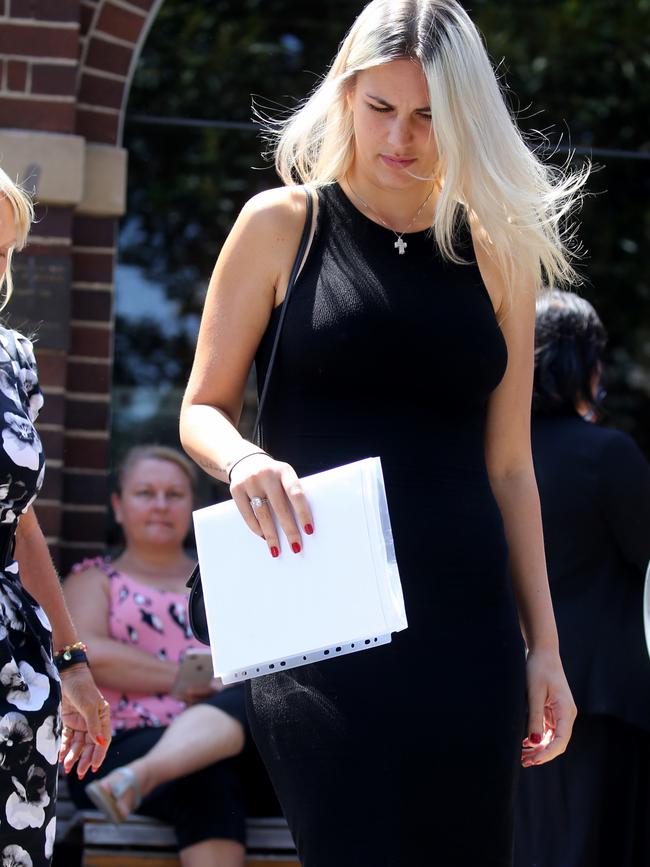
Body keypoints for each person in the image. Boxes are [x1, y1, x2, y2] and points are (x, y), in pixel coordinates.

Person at [179, 1, 587, 863]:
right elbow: (200, 409)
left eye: (429, 116)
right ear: (345, 97)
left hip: (467, 628)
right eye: (380, 108)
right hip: (319, 622)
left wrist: (544, 648)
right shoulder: (281, 224)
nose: (400, 137)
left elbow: (511, 469)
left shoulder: (498, 253)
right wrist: (245, 457)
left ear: (465, 119)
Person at [63, 445, 265, 867]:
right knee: (204, 776)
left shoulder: (225, 578)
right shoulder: (93, 579)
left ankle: (144, 776)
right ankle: (142, 771)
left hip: (232, 739)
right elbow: (90, 654)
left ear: (190, 505)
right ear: (118, 506)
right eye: (145, 493)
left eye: (173, 495)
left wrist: (219, 689)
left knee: (254, 694)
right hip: (116, 745)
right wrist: (191, 680)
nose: (160, 505)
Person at [514, 290, 650, 867]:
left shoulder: (485, 459)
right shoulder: (607, 453)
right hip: (602, 697)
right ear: (581, 363)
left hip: (513, 691)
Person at [0, 168, 111, 867]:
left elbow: (22, 521)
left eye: (4, 249)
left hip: (13, 661)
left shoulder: (13, 360)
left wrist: (73, 663)